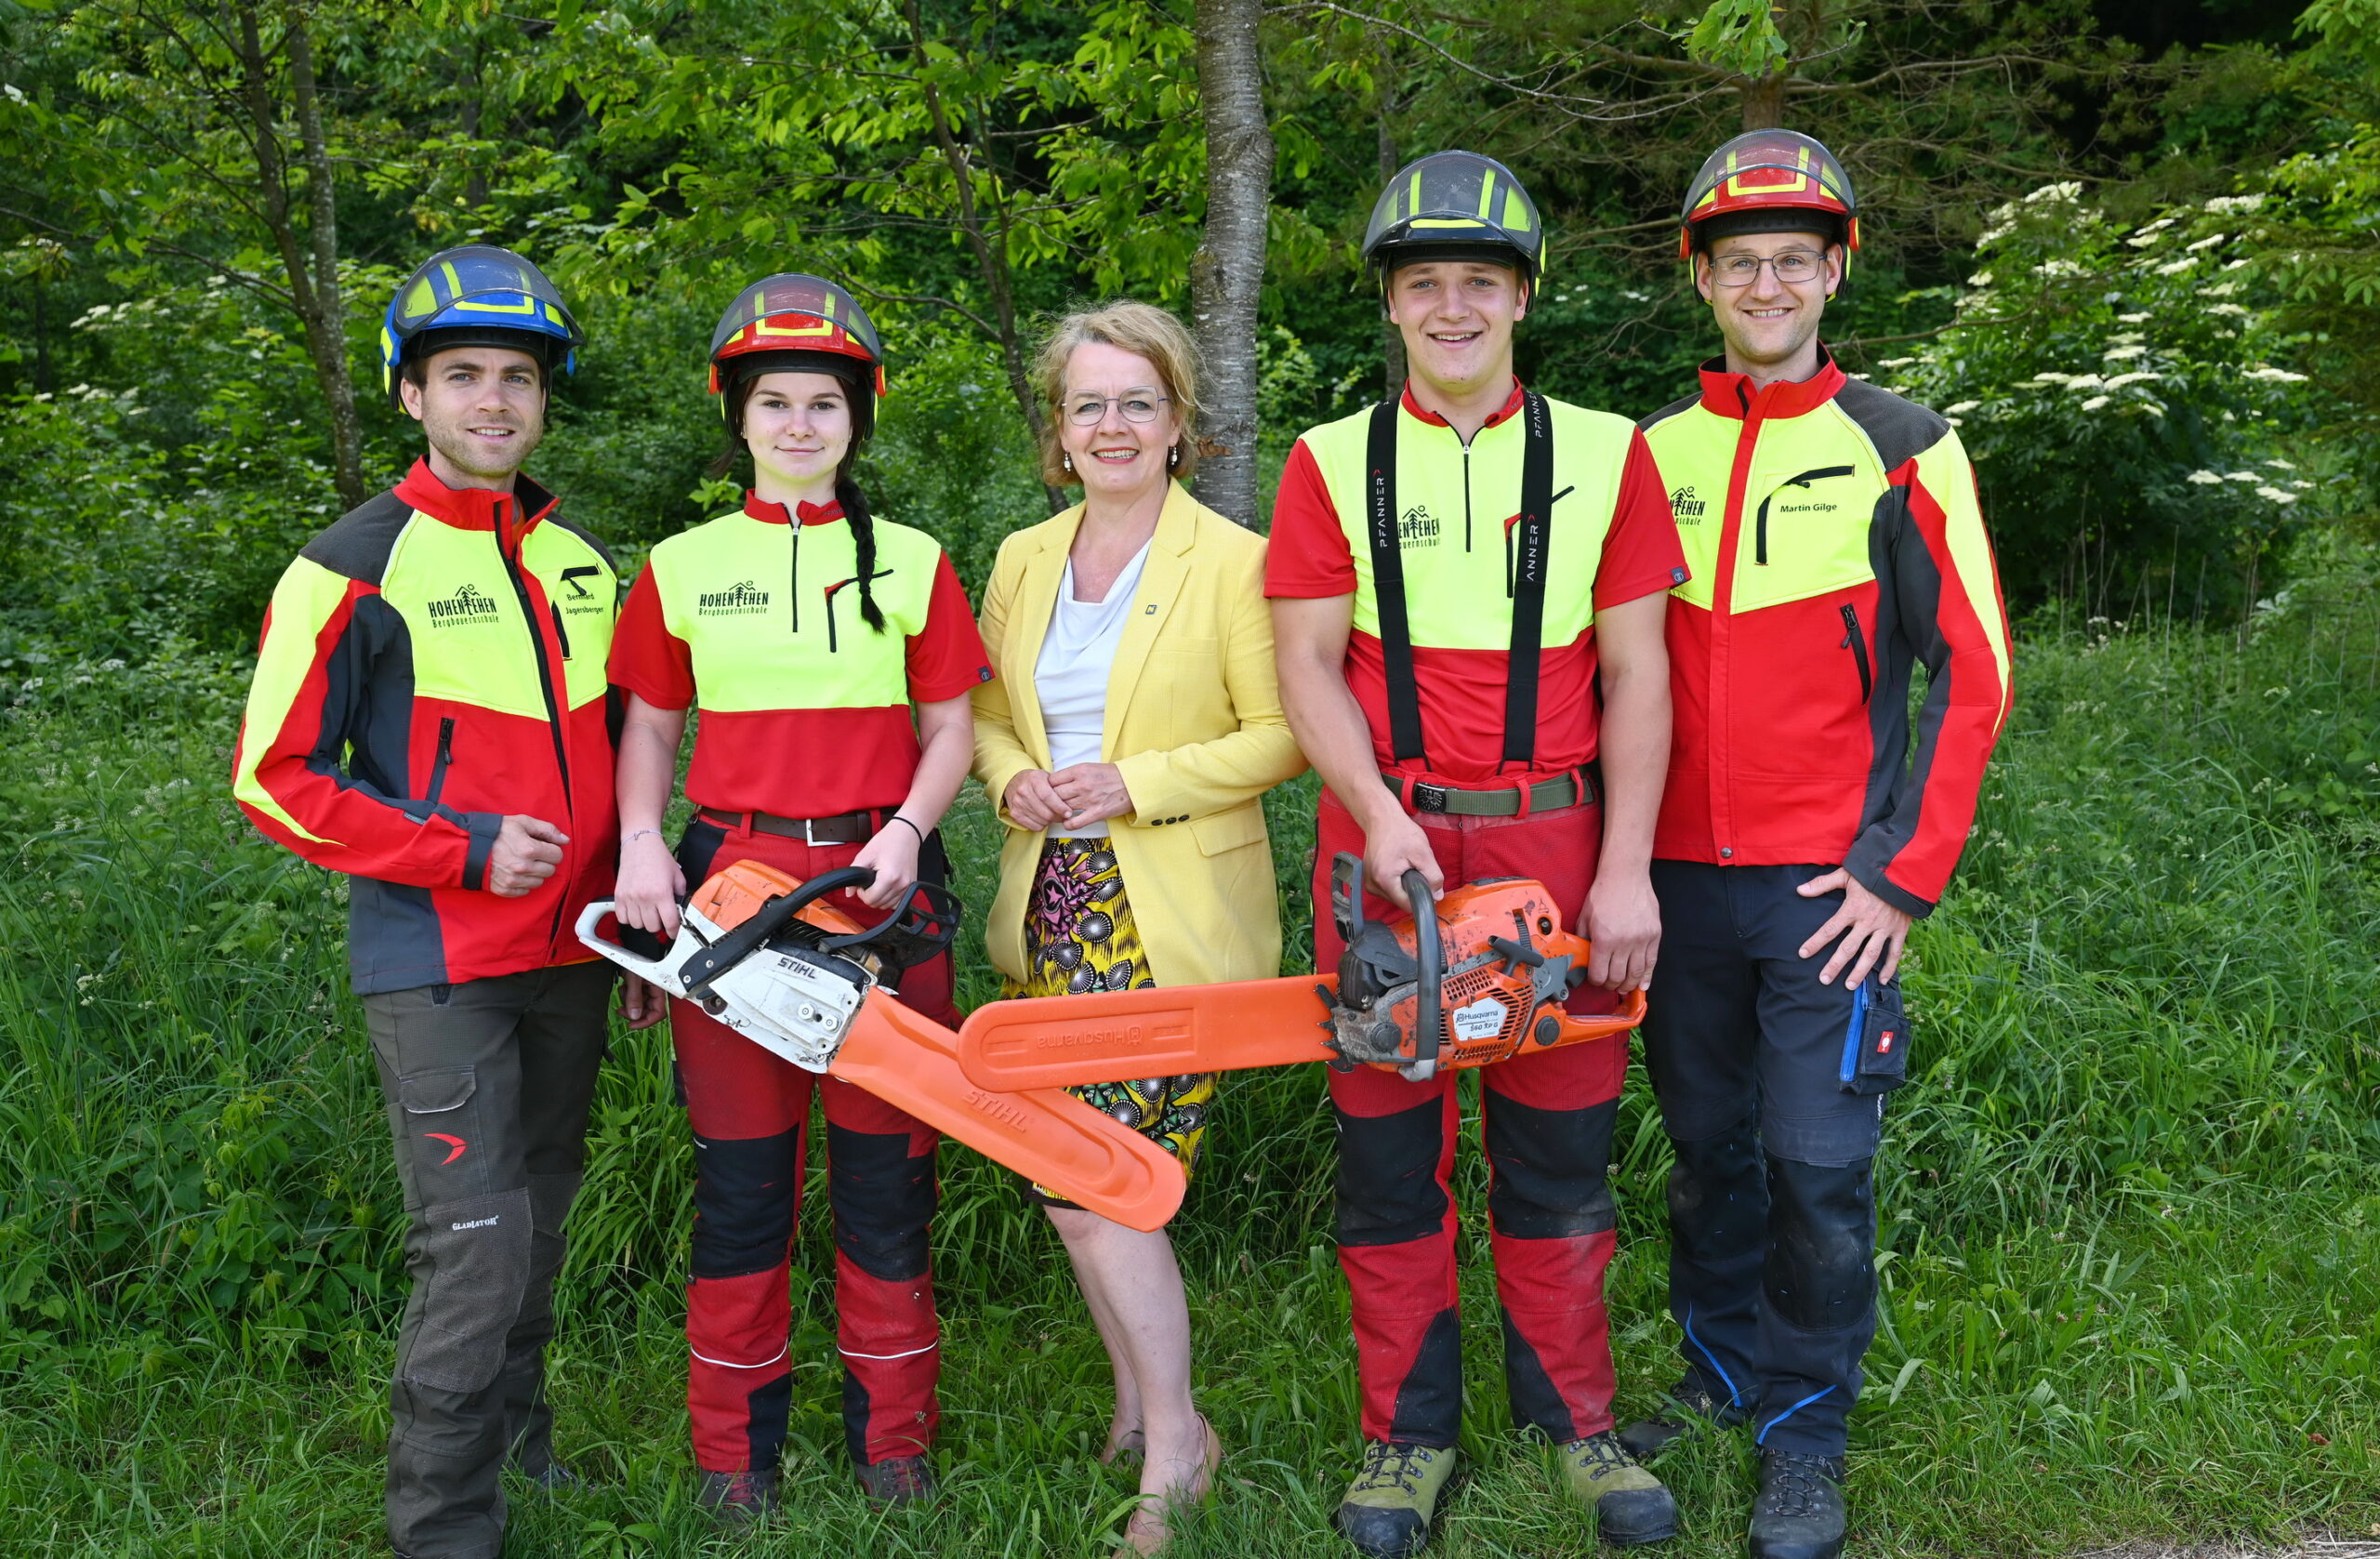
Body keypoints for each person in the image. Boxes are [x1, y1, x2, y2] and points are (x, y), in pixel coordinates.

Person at [1267, 152, 1690, 1557]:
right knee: (1391, 1157)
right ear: (1391, 303)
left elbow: (1640, 676)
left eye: (1481, 282)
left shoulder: (1609, 450)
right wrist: (1380, 810)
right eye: (1425, 282)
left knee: (1561, 1153)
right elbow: (1308, 666)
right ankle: (1408, 1435)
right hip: (1384, 843)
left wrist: (1625, 868)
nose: (1454, 306)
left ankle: (1578, 1421)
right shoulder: (1328, 459)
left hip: (1558, 835)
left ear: (1521, 298)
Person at [1623, 130, 2014, 1559]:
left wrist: (1903, 874)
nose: (1768, 282)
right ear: (1703, 281)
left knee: (1818, 1164)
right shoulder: (1648, 454)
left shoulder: (1905, 445)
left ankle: (1804, 1431)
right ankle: (1720, 1371)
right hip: (1671, 888)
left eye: (1796, 258)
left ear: (1835, 269)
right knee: (1707, 1152)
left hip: (1825, 893)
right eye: (1741, 263)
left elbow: (1978, 673)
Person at [231, 245, 620, 1559]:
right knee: (475, 1244)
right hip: (438, 959)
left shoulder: (577, 558)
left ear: (544, 395)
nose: (494, 400)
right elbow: (273, 779)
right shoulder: (348, 563)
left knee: (543, 1217)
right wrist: (459, 846)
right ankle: (444, 1531)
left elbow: (623, 746)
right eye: (463, 376)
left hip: (575, 955)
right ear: (412, 396)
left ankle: (518, 1456)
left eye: (517, 376)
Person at [605, 274, 988, 1522]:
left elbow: (952, 728)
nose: (800, 425)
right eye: (775, 403)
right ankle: (734, 1460)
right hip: (731, 904)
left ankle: (896, 1444)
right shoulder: (678, 564)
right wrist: (639, 847)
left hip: (883, 897)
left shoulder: (919, 561)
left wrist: (908, 827)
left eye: (823, 403)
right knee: (746, 1184)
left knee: (887, 1182)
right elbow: (651, 725)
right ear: (741, 416)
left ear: (857, 416)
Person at [972, 301, 1305, 1552]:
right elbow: (990, 713)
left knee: (1093, 1178)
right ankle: (1135, 1403)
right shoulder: (1019, 556)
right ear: (1058, 431)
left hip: (1167, 911)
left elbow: (1281, 734)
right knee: (1072, 1178)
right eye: (1088, 404)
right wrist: (1012, 778)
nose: (1112, 425)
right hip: (1053, 907)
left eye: (1137, 402)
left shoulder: (1231, 558)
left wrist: (1135, 781)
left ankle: (1178, 1444)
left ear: (1180, 422)